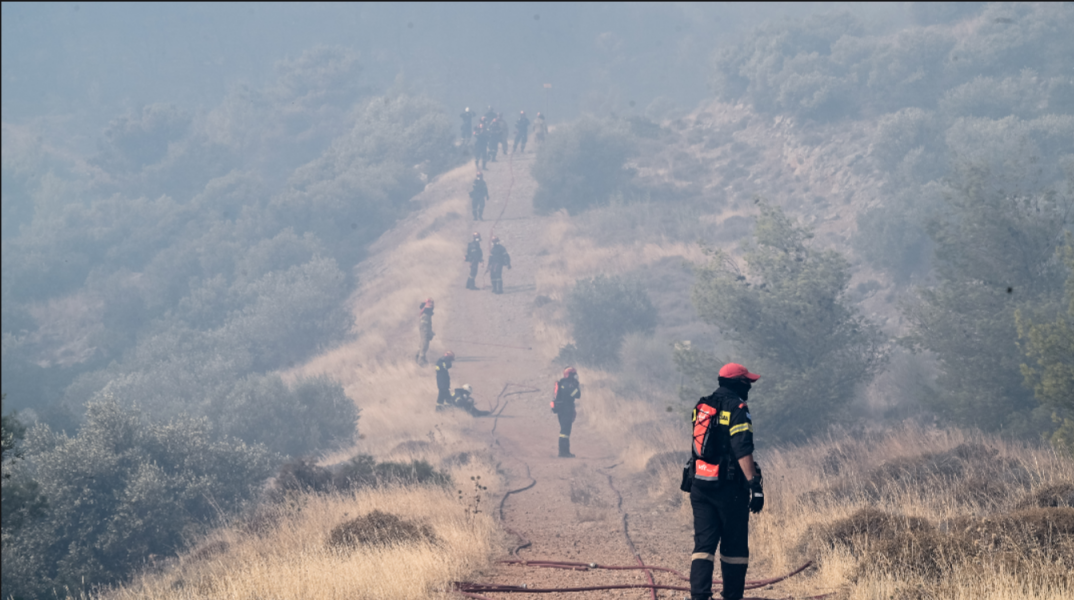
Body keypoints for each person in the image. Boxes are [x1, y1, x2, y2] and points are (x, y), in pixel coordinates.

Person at [683, 363, 765, 600]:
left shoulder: (702, 405)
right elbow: (742, 449)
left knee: (703, 545)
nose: (749, 385)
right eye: (746, 381)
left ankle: (699, 595)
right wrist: (755, 486)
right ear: (737, 383)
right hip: (730, 489)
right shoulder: (738, 407)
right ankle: (731, 596)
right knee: (734, 547)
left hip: (700, 484)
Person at [551, 367, 581, 457]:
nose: (575, 376)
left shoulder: (563, 383)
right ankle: (563, 453)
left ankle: (565, 452)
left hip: (564, 409)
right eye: (573, 374)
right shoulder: (567, 385)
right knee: (564, 431)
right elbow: (577, 394)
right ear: (569, 375)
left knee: (566, 431)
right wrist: (576, 387)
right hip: (565, 409)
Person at [415, 298, 435, 364]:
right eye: (431, 306)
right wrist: (429, 333)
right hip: (425, 331)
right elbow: (425, 327)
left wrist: (430, 332)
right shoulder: (426, 315)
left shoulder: (426, 315)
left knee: (423, 342)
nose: (432, 307)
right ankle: (421, 360)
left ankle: (418, 356)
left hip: (424, 330)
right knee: (424, 343)